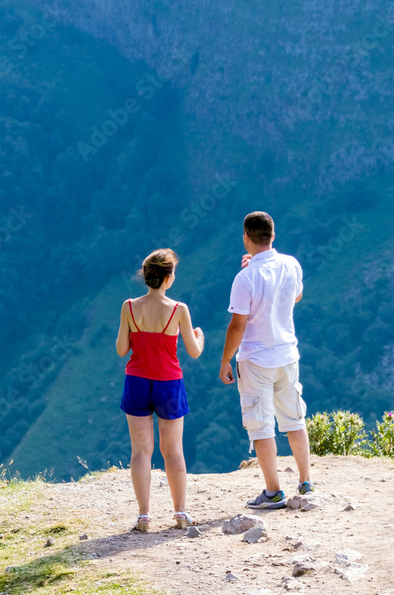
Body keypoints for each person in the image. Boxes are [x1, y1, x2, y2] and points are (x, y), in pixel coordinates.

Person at [219, 212, 314, 509]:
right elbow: (295, 298)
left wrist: (225, 361)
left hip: (256, 359)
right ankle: (305, 481)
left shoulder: (245, 278)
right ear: (273, 235)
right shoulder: (291, 265)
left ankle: (273, 492)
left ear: (246, 237)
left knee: (261, 427)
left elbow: (238, 325)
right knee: (294, 420)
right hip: (287, 354)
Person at [117, 248, 205, 531]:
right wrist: (199, 337)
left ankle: (144, 515)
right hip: (169, 383)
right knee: (173, 451)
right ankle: (180, 513)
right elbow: (193, 351)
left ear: (146, 276)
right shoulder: (179, 310)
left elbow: (121, 350)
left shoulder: (129, 306)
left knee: (141, 451)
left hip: (137, 381)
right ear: (168, 278)